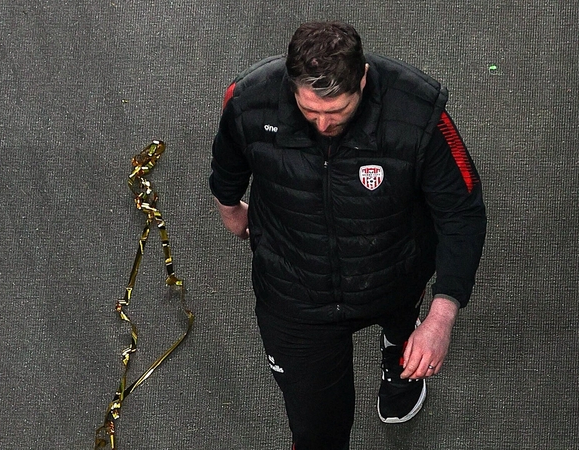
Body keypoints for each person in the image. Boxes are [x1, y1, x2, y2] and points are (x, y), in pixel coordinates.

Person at [209, 21, 487, 449]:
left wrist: (441, 317)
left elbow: (461, 212)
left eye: (336, 112)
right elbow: (228, 159)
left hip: (394, 270)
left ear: (362, 79)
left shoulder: (421, 113)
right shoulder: (249, 100)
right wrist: (229, 206)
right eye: (310, 111)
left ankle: (400, 349)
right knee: (317, 432)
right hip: (295, 295)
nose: (322, 125)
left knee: (407, 330)